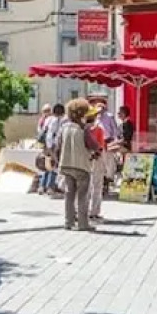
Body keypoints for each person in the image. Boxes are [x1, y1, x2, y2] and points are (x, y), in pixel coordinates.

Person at [57, 98, 100, 231]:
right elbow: (94, 145)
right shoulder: (83, 129)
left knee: (69, 195)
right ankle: (83, 223)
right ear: (82, 114)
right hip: (81, 166)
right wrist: (95, 151)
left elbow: (58, 146)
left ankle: (68, 222)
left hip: (66, 165)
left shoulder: (63, 128)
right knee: (82, 195)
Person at [88, 96, 119, 220]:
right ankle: (93, 211)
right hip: (97, 154)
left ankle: (89, 211)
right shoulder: (96, 129)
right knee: (95, 184)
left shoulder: (85, 128)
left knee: (94, 183)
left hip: (96, 152)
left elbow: (114, 132)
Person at [40, 103, 66, 196]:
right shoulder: (62, 121)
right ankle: (51, 187)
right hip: (56, 146)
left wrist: (48, 147)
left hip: (48, 146)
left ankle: (42, 186)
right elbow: (53, 135)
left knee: (47, 166)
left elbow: (46, 133)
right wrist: (53, 150)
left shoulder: (49, 120)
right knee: (54, 166)